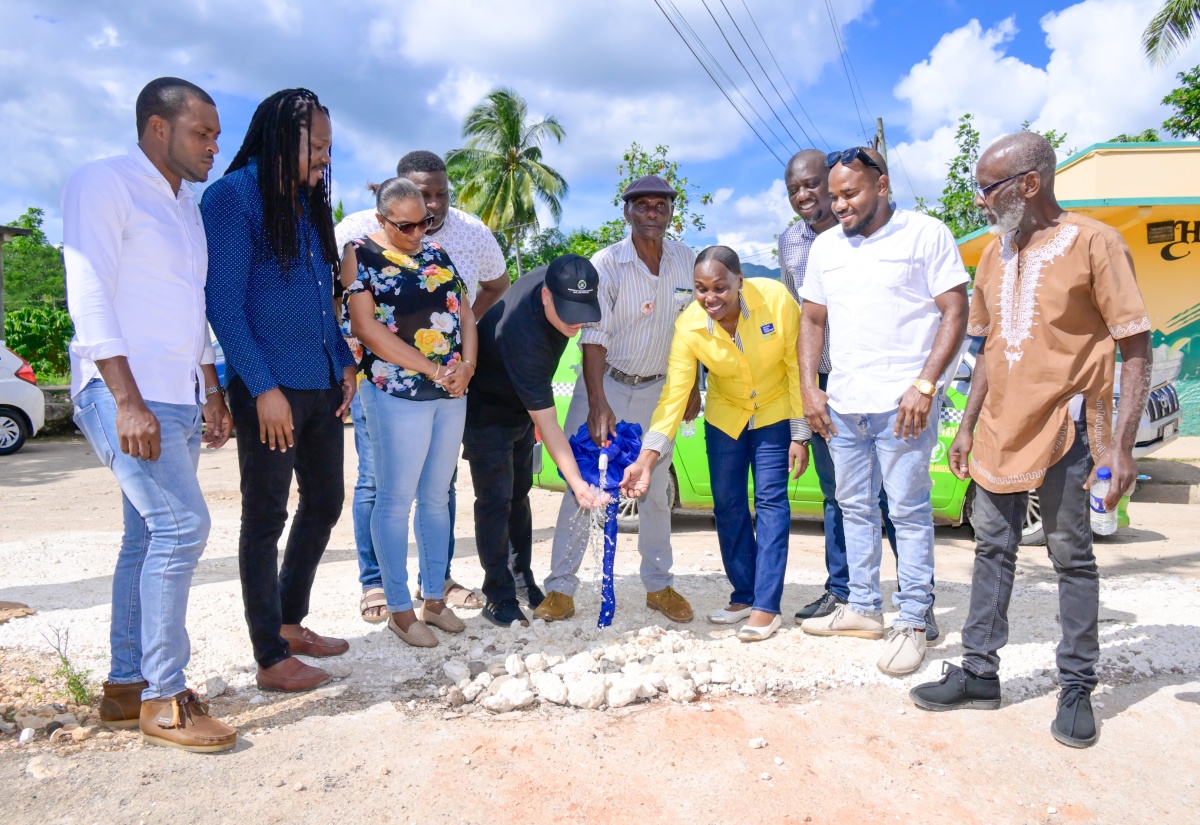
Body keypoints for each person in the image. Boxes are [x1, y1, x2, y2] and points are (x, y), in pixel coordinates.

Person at [909, 133, 1152, 748]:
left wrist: (1120, 448)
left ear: (1029, 184)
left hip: (1067, 427)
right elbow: (989, 348)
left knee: (1071, 555)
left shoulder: (1095, 242)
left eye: (988, 188)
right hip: (999, 430)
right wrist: (966, 426)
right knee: (992, 549)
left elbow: (1135, 346)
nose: (980, 201)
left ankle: (1076, 687)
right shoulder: (993, 256)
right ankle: (980, 673)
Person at [63, 77, 236, 752]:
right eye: (203, 133)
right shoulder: (102, 182)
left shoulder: (185, 205)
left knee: (145, 537)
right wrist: (126, 398)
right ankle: (166, 698)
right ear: (158, 128)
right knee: (182, 525)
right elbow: (89, 292)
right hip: (122, 391)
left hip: (179, 394)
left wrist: (211, 388)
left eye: (217, 135)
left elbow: (189, 307)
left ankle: (126, 685)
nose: (214, 147)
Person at [203, 88, 356, 693]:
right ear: (280, 137)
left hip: (319, 380)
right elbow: (223, 302)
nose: (324, 159)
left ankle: (291, 621)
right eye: (315, 147)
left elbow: (324, 298)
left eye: (327, 148)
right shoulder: (233, 196)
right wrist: (260, 387)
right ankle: (269, 656)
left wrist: (341, 358)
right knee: (265, 516)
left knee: (324, 502)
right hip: (269, 385)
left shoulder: (307, 202)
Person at [798, 147, 967, 676]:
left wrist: (926, 384)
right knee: (854, 508)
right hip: (844, 404)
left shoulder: (926, 234)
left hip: (903, 407)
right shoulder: (825, 247)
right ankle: (865, 608)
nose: (839, 205)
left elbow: (955, 309)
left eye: (850, 194)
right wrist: (810, 389)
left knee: (909, 512)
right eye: (834, 197)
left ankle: (914, 620)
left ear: (882, 185)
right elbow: (812, 321)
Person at [336, 150, 509, 619]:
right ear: (383, 218)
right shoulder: (359, 254)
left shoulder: (439, 252)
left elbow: (465, 310)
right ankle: (395, 605)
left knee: (437, 497)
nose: (418, 231)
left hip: (449, 393)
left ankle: (434, 596)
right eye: (406, 225)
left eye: (425, 221)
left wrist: (467, 366)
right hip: (394, 393)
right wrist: (434, 370)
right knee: (390, 498)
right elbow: (367, 328)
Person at [535, 175, 699, 625]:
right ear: (626, 212)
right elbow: (593, 338)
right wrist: (597, 402)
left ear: (670, 211)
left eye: (660, 204)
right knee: (582, 483)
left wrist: (693, 387)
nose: (651, 212)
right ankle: (561, 590)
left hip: (660, 389)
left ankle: (659, 586)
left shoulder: (687, 260)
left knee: (655, 490)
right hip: (604, 383)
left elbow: (694, 331)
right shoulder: (606, 263)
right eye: (641, 205)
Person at [622, 246, 808, 643]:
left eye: (720, 287)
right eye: (701, 289)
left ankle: (767, 606)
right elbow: (674, 395)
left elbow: (795, 365)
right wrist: (647, 458)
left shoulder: (775, 298)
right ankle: (744, 595)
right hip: (726, 415)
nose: (710, 298)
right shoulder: (689, 325)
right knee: (727, 503)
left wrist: (800, 433)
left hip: (776, 412)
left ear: (740, 281)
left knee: (772, 502)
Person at [464, 254, 607, 627]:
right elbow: (550, 425)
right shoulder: (523, 337)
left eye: (583, 309)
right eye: (568, 311)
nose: (577, 321)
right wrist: (578, 485)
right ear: (546, 296)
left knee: (519, 494)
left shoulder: (561, 275)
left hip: (520, 405)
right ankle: (497, 593)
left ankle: (521, 578)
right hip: (487, 407)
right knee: (495, 500)